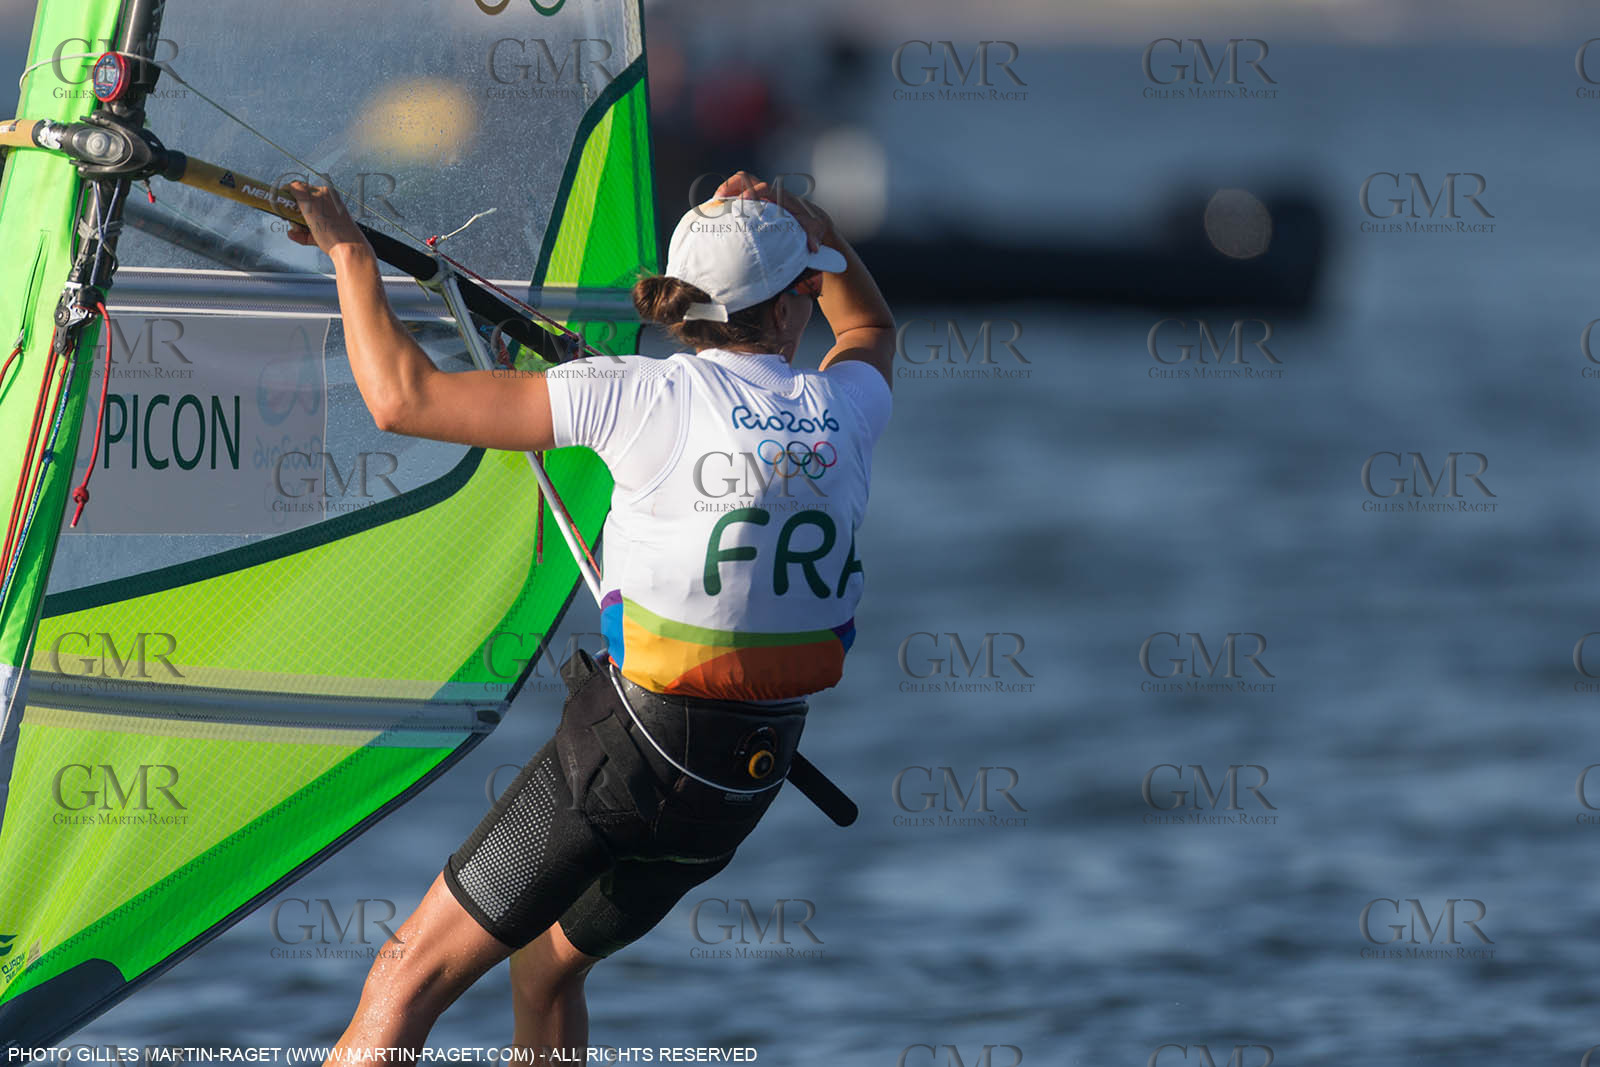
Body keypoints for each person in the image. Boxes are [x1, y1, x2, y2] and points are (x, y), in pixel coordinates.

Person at [286, 170, 894, 1061]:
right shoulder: (845, 409)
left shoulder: (640, 393)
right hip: (741, 787)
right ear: (796, 299)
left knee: (405, 975)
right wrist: (816, 224)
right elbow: (871, 328)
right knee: (545, 969)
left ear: (682, 303)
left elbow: (401, 398)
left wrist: (348, 251)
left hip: (633, 757)